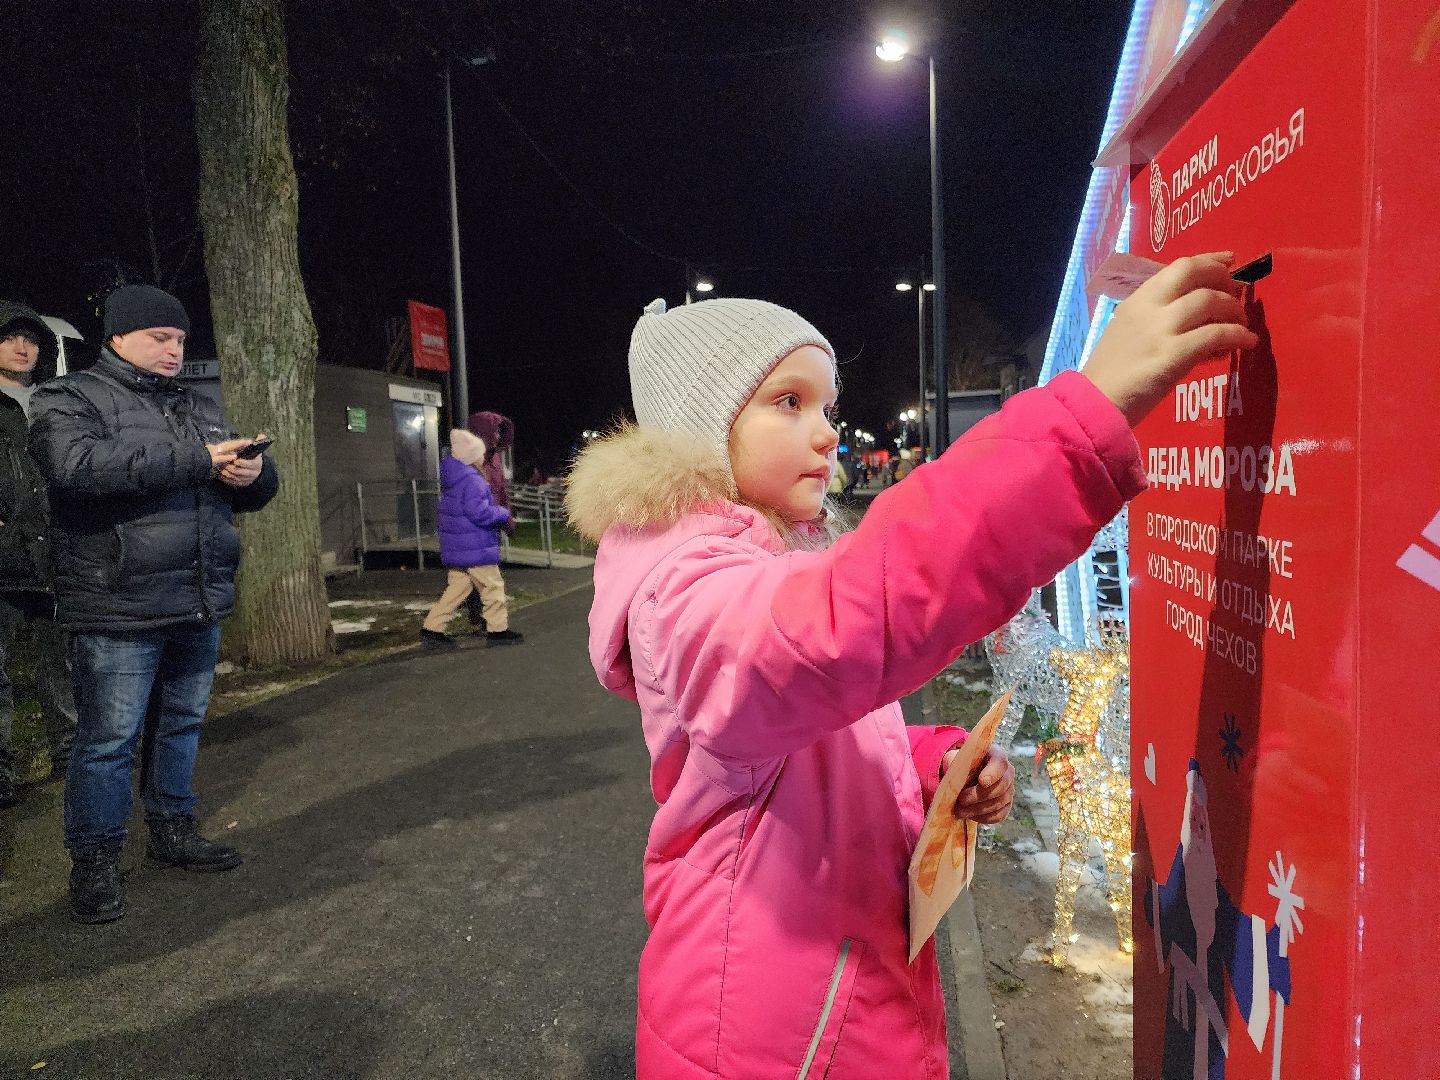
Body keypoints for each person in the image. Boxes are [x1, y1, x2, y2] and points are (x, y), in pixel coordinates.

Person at [564, 256, 1255, 1078]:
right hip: (763, 1036)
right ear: (701, 431)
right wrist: (1077, 423)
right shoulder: (686, 589)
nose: (826, 430)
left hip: (827, 1008)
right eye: (788, 402)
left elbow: (805, 738)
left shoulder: (766, 562)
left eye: (827, 404)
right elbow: (832, 635)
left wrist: (930, 763)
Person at [28, 284, 279, 924]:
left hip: (196, 599)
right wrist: (196, 459)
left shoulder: (198, 406)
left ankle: (172, 829)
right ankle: (94, 862)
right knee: (108, 739)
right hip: (118, 602)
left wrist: (255, 475)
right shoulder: (69, 396)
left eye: (181, 339)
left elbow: (243, 485)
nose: (175, 350)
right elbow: (77, 469)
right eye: (160, 337)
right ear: (118, 337)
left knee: (180, 725)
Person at [0, 302, 77, 807]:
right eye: (9, 338)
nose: (21, 347)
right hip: (3, 557)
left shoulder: (55, 403)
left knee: (63, 664)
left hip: (54, 553)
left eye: (30, 339)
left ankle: (71, 755)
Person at [419, 429, 523, 649]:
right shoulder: (472, 480)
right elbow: (480, 513)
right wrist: (503, 513)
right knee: (492, 586)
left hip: (459, 547)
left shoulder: (454, 480)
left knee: (457, 590)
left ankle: (432, 628)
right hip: (475, 546)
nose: (483, 457)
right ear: (471, 456)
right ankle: (498, 630)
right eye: (479, 453)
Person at [463, 409, 515, 634]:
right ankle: (481, 620)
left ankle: (486, 620)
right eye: (494, 431)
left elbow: (501, 492)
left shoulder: (495, 458)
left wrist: (508, 520)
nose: (497, 436)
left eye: (499, 432)